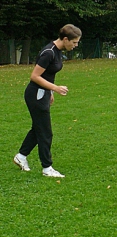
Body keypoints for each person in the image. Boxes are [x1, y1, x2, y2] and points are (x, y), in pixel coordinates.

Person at [14, 24, 82, 177]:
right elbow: (35, 76)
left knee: (38, 128)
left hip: (43, 93)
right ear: (65, 39)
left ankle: (21, 156)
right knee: (45, 132)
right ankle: (47, 168)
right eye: (74, 42)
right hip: (35, 94)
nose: (76, 45)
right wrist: (56, 88)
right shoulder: (49, 52)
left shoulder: (57, 51)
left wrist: (50, 91)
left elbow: (49, 74)